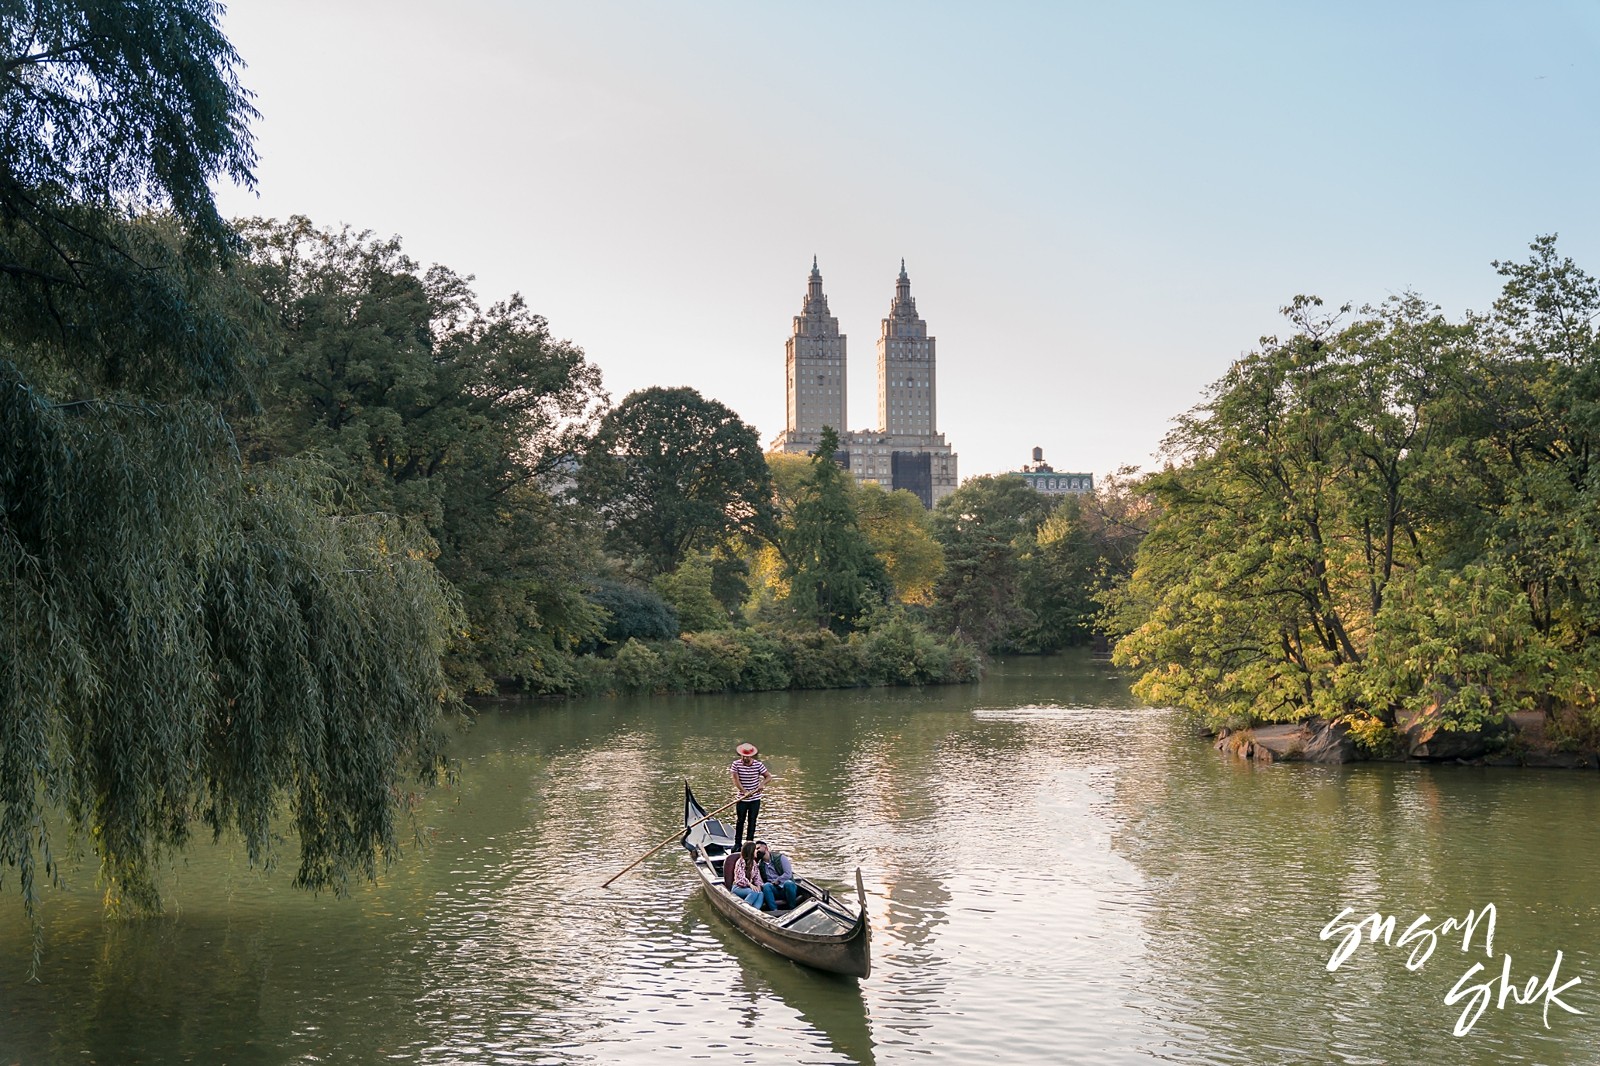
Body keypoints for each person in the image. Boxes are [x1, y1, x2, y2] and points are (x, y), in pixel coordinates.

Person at [729, 742, 774, 848]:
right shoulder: (736, 764)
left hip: (755, 799)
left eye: (747, 756)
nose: (745, 758)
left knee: (752, 821)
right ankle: (737, 843)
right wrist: (744, 791)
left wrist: (762, 784)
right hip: (742, 798)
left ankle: (749, 843)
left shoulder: (758, 765)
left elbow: (768, 777)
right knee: (740, 821)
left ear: (751, 756)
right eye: (743, 756)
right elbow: (735, 780)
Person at [728, 841, 777, 911]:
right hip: (738, 887)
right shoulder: (740, 862)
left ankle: (754, 912)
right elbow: (740, 879)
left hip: (748, 888)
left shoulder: (754, 864)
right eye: (755, 850)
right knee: (753, 892)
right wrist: (750, 885)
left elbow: (757, 877)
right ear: (751, 851)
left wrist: (759, 886)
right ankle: (744, 910)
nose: (757, 851)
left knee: (760, 893)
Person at [755, 840, 799, 910]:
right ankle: (774, 910)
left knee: (788, 883)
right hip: (773, 889)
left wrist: (778, 880)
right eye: (755, 850)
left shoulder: (781, 858)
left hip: (785, 887)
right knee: (766, 886)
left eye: (758, 848)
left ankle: (792, 908)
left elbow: (788, 874)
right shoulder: (760, 865)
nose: (757, 851)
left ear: (766, 848)